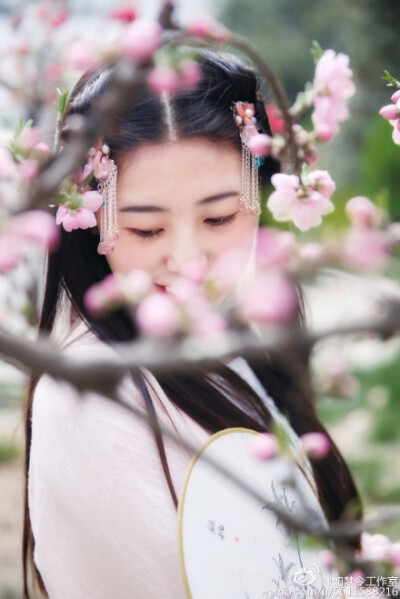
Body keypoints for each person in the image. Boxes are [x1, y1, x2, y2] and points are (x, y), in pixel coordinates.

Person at [23, 48, 362, 599]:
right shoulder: (88, 392)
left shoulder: (236, 342)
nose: (186, 259)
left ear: (260, 194)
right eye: (147, 229)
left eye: (218, 218)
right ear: (91, 220)